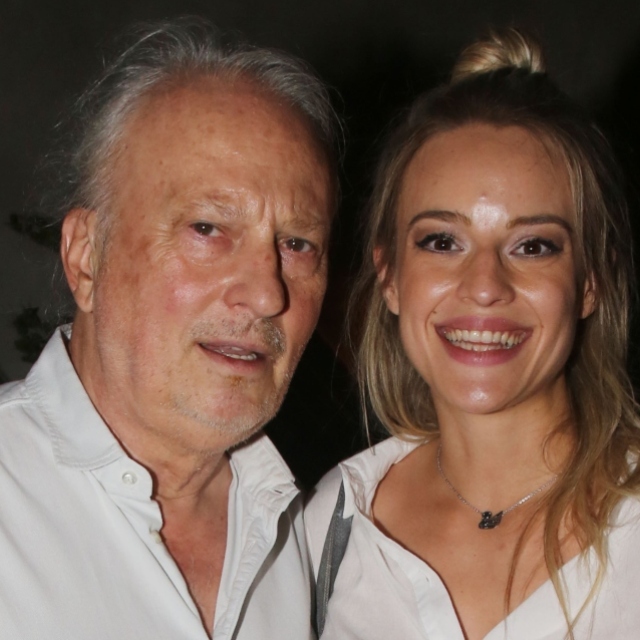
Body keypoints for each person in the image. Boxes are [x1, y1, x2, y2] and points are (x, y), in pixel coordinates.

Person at [0, 18, 339, 640]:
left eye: (297, 244)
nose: (267, 293)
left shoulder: (318, 538)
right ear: (86, 257)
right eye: (207, 229)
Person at [306, 28, 640, 639]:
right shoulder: (331, 524)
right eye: (442, 241)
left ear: (590, 282)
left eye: (533, 246)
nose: (485, 285)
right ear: (389, 276)